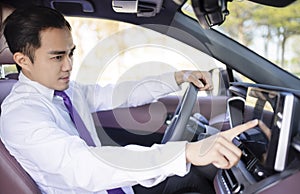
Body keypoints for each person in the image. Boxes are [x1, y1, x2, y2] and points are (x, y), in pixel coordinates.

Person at [0, 6, 258, 194]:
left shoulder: (66, 91)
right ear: (23, 60)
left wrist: (177, 78)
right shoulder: (21, 116)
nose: (69, 65)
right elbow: (83, 167)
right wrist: (186, 151)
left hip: (114, 187)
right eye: (57, 57)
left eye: (71, 53)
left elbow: (118, 93)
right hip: (91, 187)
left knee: (194, 180)